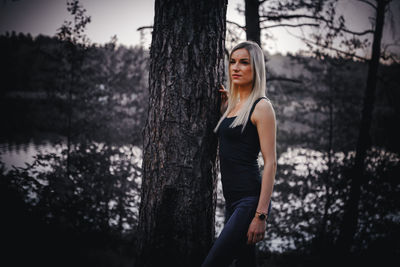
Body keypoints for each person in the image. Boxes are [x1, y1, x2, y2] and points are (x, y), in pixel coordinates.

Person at [201, 41, 277, 267]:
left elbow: (271, 163)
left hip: (250, 201)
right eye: (232, 62)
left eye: (244, 62)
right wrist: (225, 111)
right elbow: (233, 141)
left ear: (256, 68)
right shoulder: (234, 105)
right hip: (232, 201)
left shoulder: (262, 107)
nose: (235, 67)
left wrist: (260, 216)